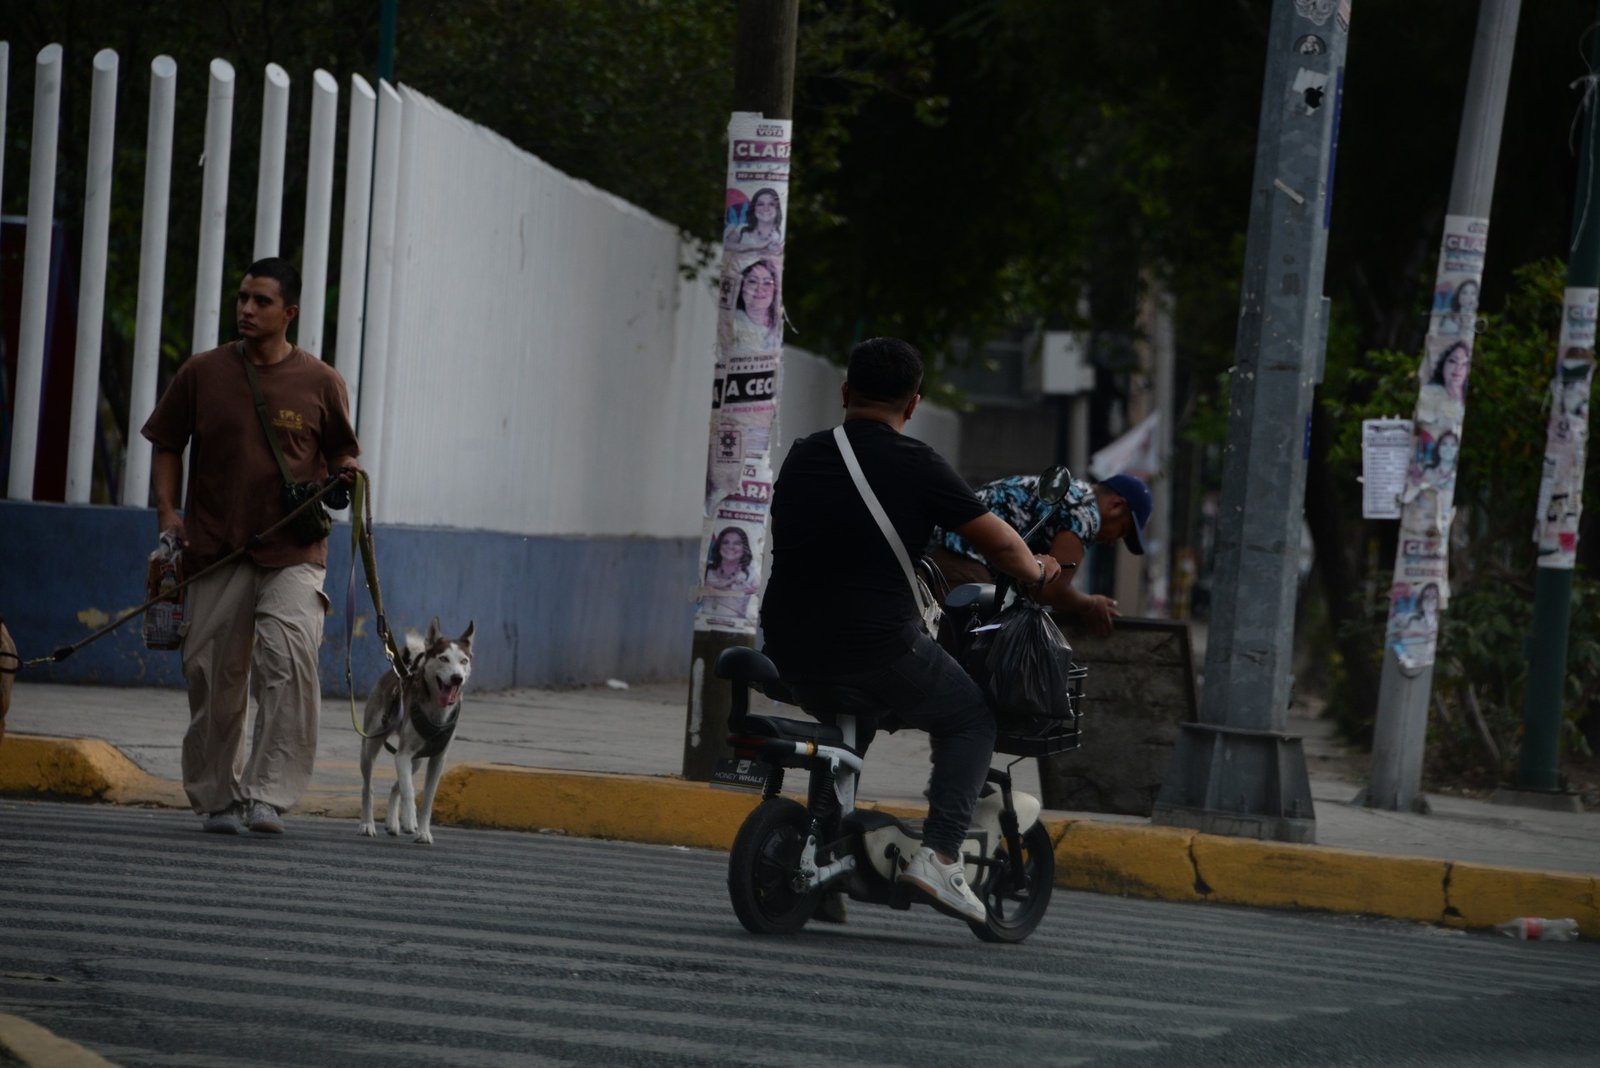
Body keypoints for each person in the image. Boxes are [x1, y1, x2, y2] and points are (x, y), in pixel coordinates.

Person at [760, 337, 1062, 925]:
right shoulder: (917, 463)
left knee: (852, 725)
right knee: (971, 718)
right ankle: (942, 856)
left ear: (846, 392)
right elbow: (1001, 544)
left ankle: (825, 862)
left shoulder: (804, 453)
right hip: (873, 645)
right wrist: (1038, 571)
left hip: (788, 644)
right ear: (914, 404)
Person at [142, 257, 362, 836]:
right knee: (212, 674)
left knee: (289, 660)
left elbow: (342, 451)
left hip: (294, 550)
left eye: (261, 301)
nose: (246, 309)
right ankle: (218, 797)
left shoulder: (321, 381)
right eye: (242, 297)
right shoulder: (203, 372)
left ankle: (268, 794)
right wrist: (168, 512)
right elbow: (167, 442)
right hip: (215, 547)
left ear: (289, 312)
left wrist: (347, 472)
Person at [929, 471, 1152, 638]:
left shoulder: (1074, 493)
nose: (1112, 542)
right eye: (1121, 531)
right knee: (956, 654)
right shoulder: (1085, 514)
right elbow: (1049, 590)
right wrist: (1091, 604)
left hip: (941, 544)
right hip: (962, 559)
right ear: (1116, 506)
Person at [729, 259, 782, 351]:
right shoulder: (731, 324)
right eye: (753, 281)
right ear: (742, 287)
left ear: (775, 290)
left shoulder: (776, 331)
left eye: (767, 282)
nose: (759, 289)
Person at [723, 187, 783, 252]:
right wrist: (757, 246)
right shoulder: (742, 228)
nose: (766, 208)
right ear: (754, 208)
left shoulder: (781, 233)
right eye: (760, 204)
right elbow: (726, 245)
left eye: (771, 204)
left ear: (777, 209)